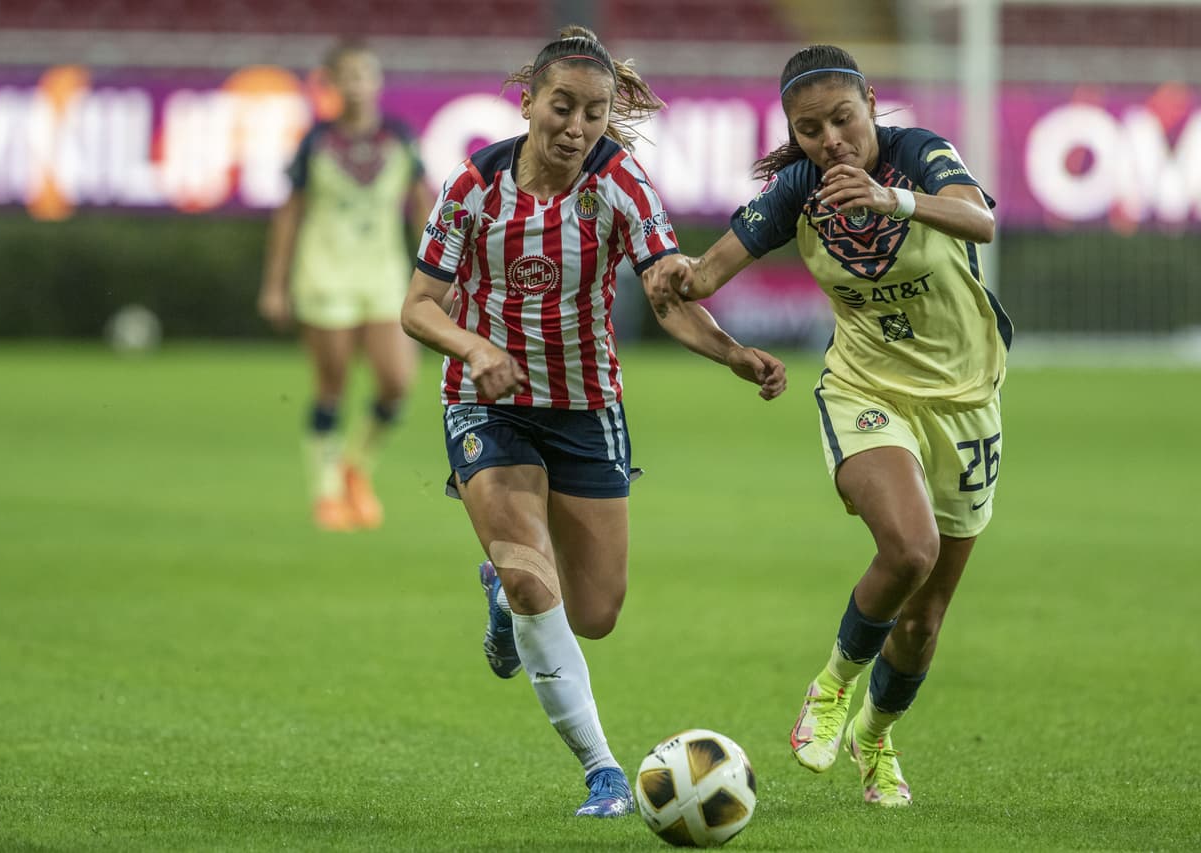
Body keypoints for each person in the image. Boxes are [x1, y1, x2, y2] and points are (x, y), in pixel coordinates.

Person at [400, 26, 787, 818]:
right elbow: (417, 307)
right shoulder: (473, 185)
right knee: (531, 577)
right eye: (562, 107)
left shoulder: (621, 183)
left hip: (585, 408)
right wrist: (475, 347)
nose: (576, 127)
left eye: (594, 112)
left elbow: (667, 297)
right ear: (528, 102)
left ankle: (504, 601)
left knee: (595, 613)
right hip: (487, 404)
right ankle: (604, 772)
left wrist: (733, 353)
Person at [646, 44, 1011, 807]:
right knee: (910, 547)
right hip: (865, 389)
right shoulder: (798, 191)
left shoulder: (918, 154)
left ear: (870, 103)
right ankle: (832, 687)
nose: (830, 140)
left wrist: (892, 200)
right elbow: (704, 276)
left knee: (924, 620)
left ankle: (874, 736)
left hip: (966, 401)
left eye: (842, 119)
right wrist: (680, 273)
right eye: (809, 130)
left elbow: (979, 217)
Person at [259, 40, 436, 531]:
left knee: (397, 382)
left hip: (383, 276)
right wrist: (275, 284)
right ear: (332, 84)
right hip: (325, 274)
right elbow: (289, 214)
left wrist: (438, 271)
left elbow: (423, 203)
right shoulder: (315, 142)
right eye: (348, 76)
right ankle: (326, 493)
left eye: (365, 74)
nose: (357, 85)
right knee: (331, 383)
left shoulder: (399, 138)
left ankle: (355, 465)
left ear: (377, 82)